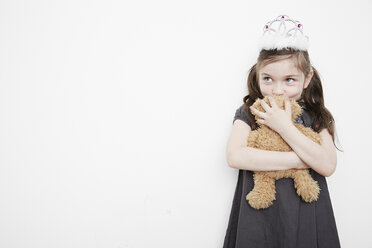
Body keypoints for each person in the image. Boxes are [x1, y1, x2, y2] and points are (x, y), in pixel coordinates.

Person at [223, 15, 342, 248]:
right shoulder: (250, 112)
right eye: (268, 79)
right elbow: (235, 156)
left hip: (306, 215)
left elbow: (327, 165)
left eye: (289, 80)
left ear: (307, 79)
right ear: (257, 76)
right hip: (258, 216)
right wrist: (300, 161)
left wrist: (284, 126)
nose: (277, 90)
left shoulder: (317, 115)